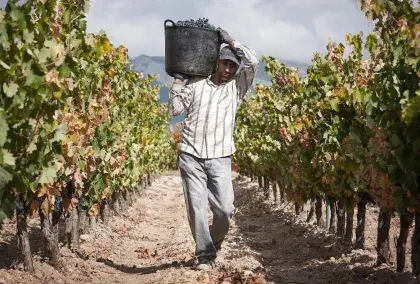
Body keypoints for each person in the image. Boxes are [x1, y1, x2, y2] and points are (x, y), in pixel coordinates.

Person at [168, 27, 259, 270]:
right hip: (191, 155)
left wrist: (230, 40)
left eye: (232, 66)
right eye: (224, 64)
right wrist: (178, 80)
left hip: (220, 158)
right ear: (216, 62)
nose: (228, 70)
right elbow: (174, 109)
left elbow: (253, 60)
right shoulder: (196, 84)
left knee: (225, 210)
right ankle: (205, 256)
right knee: (197, 209)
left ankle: (213, 241)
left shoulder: (237, 88)